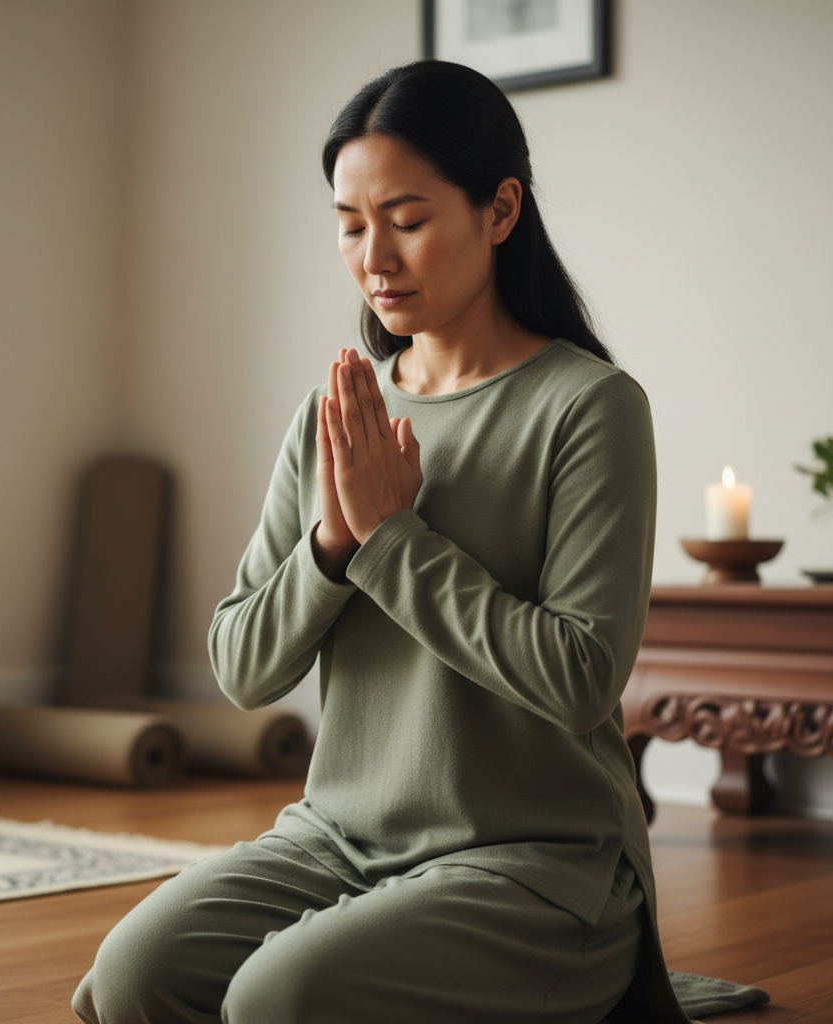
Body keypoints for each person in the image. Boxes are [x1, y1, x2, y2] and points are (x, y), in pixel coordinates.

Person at [73, 59, 693, 1024]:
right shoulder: (336, 417)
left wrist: (389, 540)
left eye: (406, 220)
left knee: (280, 999)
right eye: (350, 225)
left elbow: (581, 677)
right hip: (340, 837)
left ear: (500, 209)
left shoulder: (589, 408)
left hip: (537, 858)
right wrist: (330, 540)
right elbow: (241, 669)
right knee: (132, 976)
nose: (375, 257)